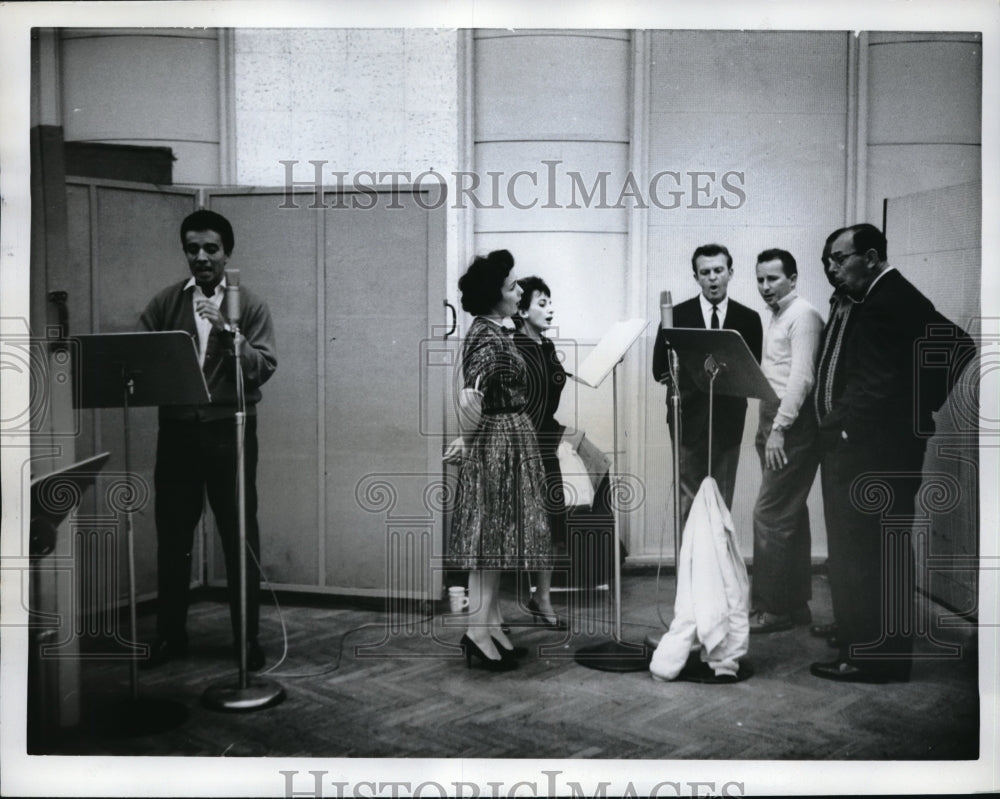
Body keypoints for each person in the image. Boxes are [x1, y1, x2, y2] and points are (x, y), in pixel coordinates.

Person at [810, 223, 972, 683]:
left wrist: (874, 426)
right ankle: (869, 649)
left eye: (840, 259)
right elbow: (959, 344)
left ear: (873, 256)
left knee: (872, 556)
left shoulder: (885, 301)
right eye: (829, 261)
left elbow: (953, 350)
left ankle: (874, 661)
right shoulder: (890, 296)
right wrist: (917, 410)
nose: (833, 268)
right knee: (873, 553)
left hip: (873, 455)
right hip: (880, 451)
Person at [138, 209, 277, 670]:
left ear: (227, 253)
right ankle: (170, 636)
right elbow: (141, 361)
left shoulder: (249, 305)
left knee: (240, 536)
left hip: (230, 432)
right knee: (173, 537)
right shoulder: (164, 304)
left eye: (211, 249)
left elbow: (264, 367)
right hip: (177, 434)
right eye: (193, 248)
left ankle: (247, 641)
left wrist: (224, 330)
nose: (201, 257)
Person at [443, 250, 552, 670]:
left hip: (505, 439)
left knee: (496, 540)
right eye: (512, 287)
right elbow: (472, 396)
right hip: (498, 442)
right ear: (495, 297)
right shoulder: (486, 337)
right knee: (490, 540)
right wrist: (467, 440)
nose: (520, 290)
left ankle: (487, 626)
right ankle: (476, 631)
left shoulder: (493, 331)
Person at [651, 243, 763, 522]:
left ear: (730, 272)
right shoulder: (675, 315)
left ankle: (719, 566)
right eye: (705, 272)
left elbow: (753, 371)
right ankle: (689, 566)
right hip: (688, 421)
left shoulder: (749, 319)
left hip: (728, 423)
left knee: (722, 501)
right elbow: (659, 369)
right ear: (696, 277)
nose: (712, 277)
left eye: (718, 270)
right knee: (687, 502)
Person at [748, 249, 824, 633]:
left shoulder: (803, 315)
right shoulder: (778, 314)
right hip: (772, 415)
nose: (765, 287)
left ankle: (774, 608)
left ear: (792, 279)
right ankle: (795, 606)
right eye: (760, 279)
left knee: (770, 516)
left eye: (773, 279)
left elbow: (802, 379)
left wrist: (778, 428)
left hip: (789, 423)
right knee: (789, 513)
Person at [512, 276, 569, 630]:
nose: (550, 309)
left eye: (550, 302)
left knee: (549, 522)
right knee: (518, 525)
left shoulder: (545, 346)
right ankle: (493, 611)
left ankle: (542, 598)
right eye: (542, 303)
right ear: (521, 309)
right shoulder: (514, 346)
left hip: (546, 441)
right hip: (522, 444)